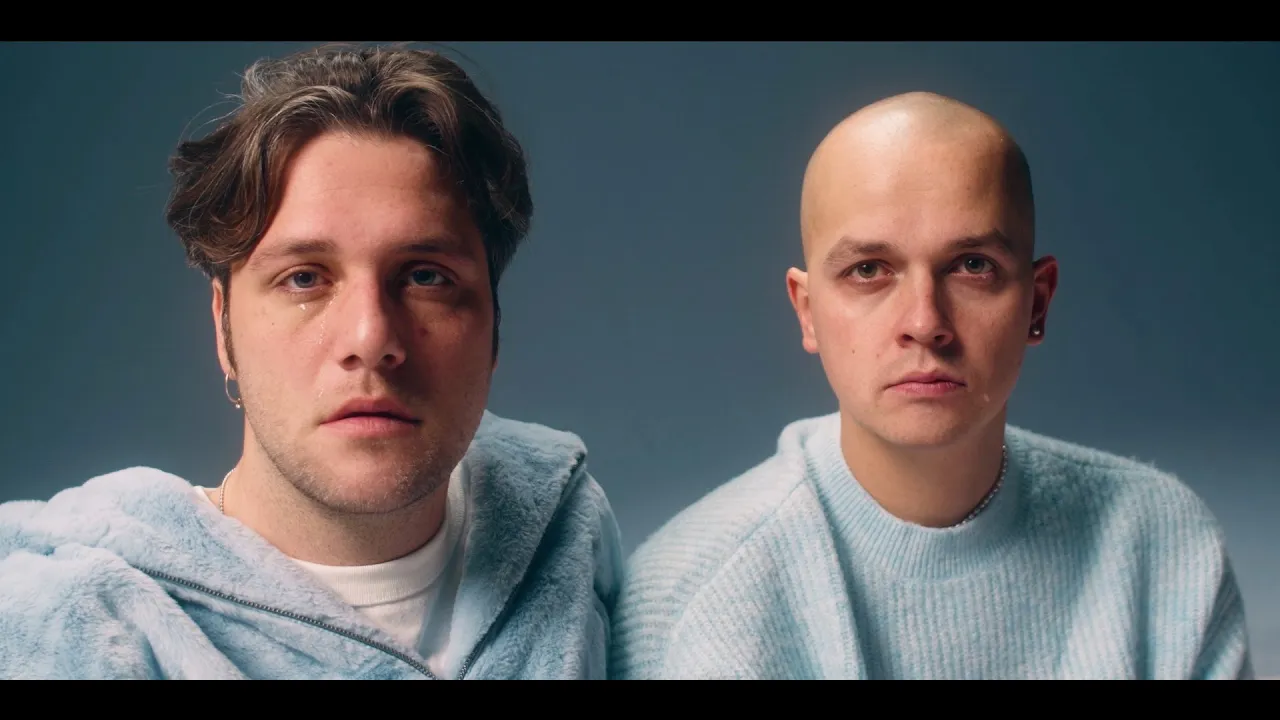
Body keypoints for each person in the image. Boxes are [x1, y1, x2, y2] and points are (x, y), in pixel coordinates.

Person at [0, 43, 623, 680]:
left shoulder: (566, 531)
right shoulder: (72, 628)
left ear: (493, 326)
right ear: (223, 328)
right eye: (304, 278)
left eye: (425, 277)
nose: (371, 337)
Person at [609, 91, 1253, 680]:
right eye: (869, 270)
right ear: (807, 312)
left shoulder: (1162, 546)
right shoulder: (689, 599)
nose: (924, 323)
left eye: (972, 266)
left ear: (1037, 302)